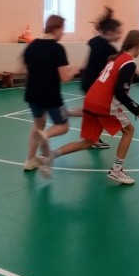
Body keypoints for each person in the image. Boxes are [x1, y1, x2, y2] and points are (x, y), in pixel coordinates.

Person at [37, 30, 139, 185]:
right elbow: (119, 92)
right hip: (104, 104)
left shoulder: (116, 58)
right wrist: (135, 108)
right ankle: (116, 171)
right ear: (138, 46)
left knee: (88, 142)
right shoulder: (129, 63)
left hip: (91, 99)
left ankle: (50, 156)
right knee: (129, 131)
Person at [22, 15, 80, 171]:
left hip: (31, 94)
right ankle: (45, 136)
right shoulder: (57, 49)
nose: (63, 33)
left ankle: (30, 160)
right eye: (62, 30)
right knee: (63, 126)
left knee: (38, 125)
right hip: (50, 96)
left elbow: (27, 67)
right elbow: (64, 78)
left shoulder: (32, 46)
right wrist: (73, 71)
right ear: (56, 28)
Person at [71, 7, 124, 149]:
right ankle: (67, 113)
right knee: (93, 111)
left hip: (86, 79)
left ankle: (93, 138)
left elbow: (92, 51)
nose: (120, 35)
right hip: (93, 84)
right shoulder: (109, 49)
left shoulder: (95, 41)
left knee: (92, 111)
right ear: (109, 32)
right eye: (118, 32)